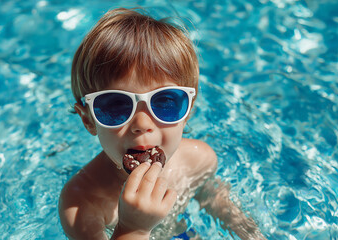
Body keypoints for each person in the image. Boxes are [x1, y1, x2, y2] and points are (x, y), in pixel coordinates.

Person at [59, 7, 265, 240]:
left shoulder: (198, 160)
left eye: (165, 102)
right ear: (88, 119)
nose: (142, 123)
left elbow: (218, 203)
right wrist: (132, 228)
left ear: (188, 110)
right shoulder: (81, 203)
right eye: (116, 105)